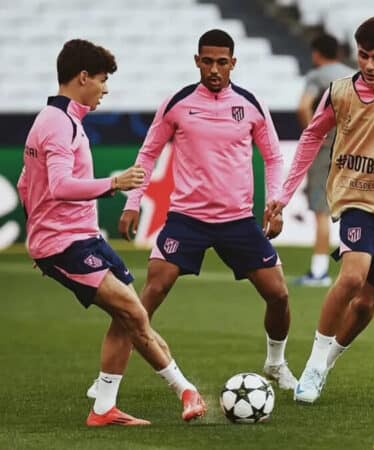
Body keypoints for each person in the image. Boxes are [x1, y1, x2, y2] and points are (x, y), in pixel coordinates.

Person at [84, 29, 298, 404]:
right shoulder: (178, 103)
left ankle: (275, 364)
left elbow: (275, 157)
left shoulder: (250, 104)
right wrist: (134, 201)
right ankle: (106, 382)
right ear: (197, 61)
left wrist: (276, 202)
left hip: (238, 220)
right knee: (141, 299)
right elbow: (148, 154)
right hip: (187, 220)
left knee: (278, 294)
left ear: (233, 63)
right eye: (207, 61)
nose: (214, 69)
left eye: (222, 62)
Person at [17, 39, 204, 426]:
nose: (105, 89)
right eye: (102, 80)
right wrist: (114, 183)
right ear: (83, 77)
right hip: (65, 244)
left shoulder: (58, 121)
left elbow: (24, 185)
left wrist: (38, 235)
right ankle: (186, 390)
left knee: (126, 317)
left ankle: (104, 407)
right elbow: (59, 186)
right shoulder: (57, 124)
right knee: (134, 311)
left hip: (80, 239)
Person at [268, 16, 374, 404]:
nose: (371, 65)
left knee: (365, 305)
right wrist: (286, 192)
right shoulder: (339, 92)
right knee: (353, 276)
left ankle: (327, 363)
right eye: (364, 56)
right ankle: (312, 364)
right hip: (355, 198)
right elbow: (312, 137)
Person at [294, 34, 353, 287]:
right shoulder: (352, 75)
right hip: (351, 149)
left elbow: (303, 106)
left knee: (322, 211)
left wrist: (315, 135)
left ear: (317, 53)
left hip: (326, 148)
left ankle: (319, 271)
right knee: (354, 210)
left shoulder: (317, 76)